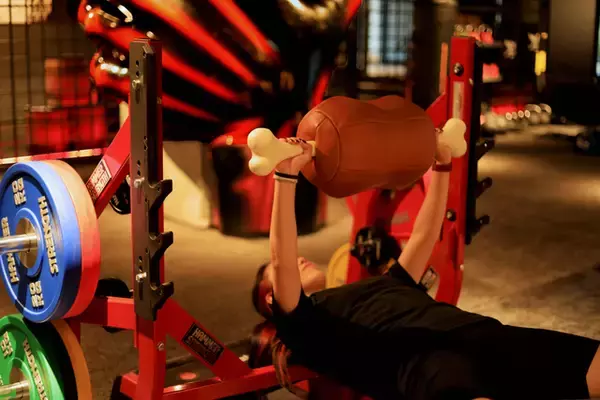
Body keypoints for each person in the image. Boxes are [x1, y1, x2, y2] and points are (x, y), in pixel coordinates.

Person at [250, 135, 600, 400]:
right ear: (271, 300)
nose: (299, 261)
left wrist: (442, 164)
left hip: (484, 335)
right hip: (432, 367)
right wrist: (286, 175)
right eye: (271, 275)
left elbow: (424, 235)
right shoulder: (304, 325)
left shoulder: (384, 282)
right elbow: (283, 256)